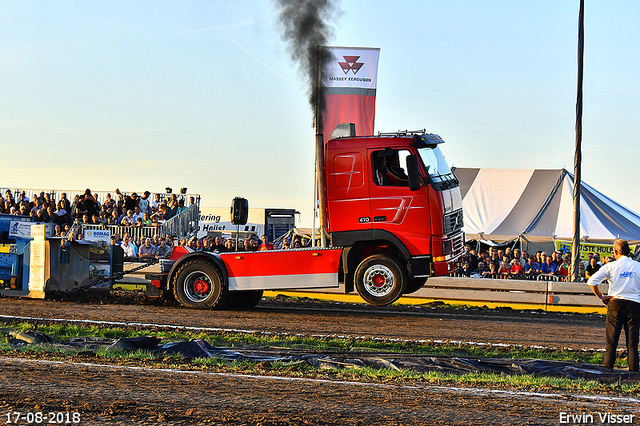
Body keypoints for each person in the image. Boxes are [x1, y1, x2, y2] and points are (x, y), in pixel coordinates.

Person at [587, 239, 640, 372]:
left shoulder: (611, 266)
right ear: (629, 252)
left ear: (615, 252)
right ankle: (634, 375)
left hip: (615, 303)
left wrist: (602, 297)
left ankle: (607, 373)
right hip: (634, 305)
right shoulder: (638, 266)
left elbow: (591, 281)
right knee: (632, 344)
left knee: (611, 343)